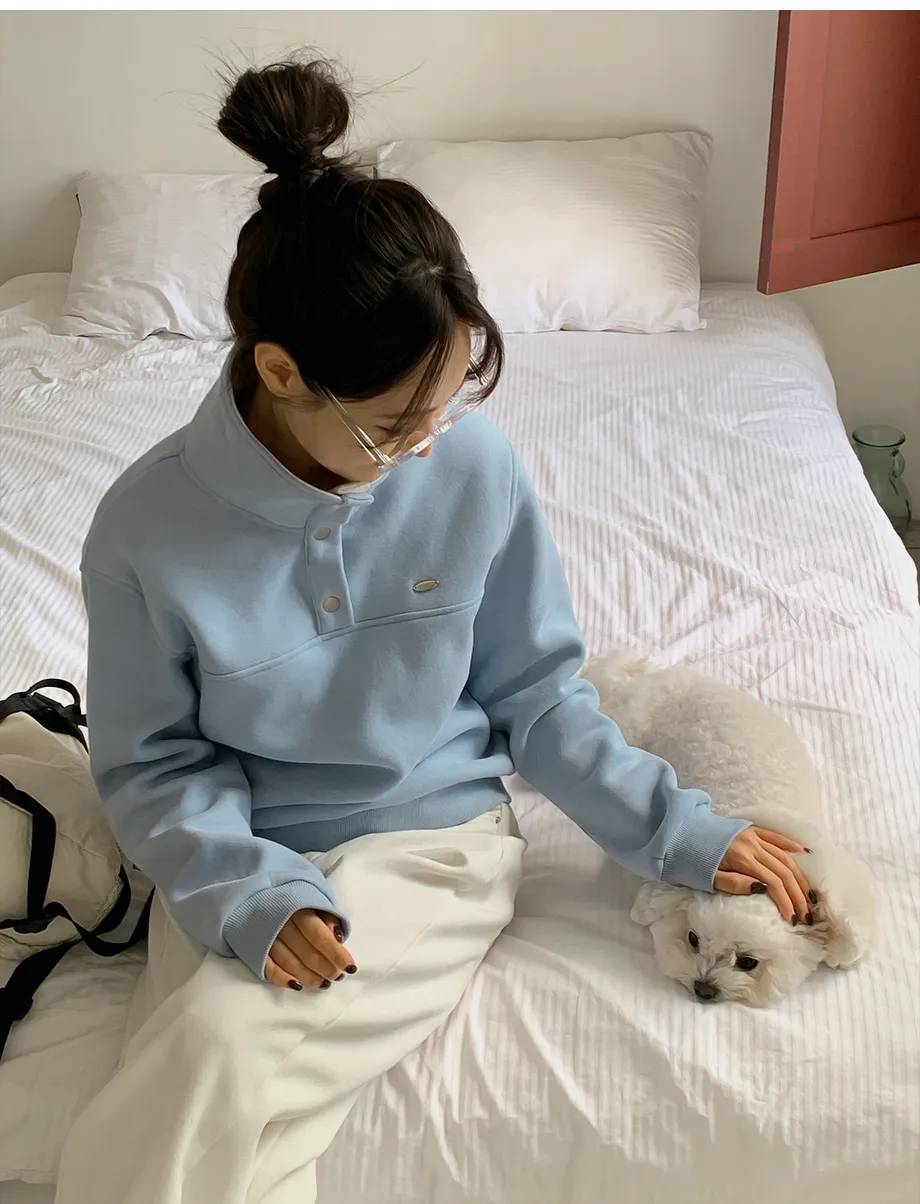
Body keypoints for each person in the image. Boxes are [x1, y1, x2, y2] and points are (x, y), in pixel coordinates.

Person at [54, 57, 812, 1204]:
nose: (424, 445)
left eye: (445, 405)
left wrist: (679, 829)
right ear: (278, 370)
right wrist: (246, 891)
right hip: (236, 851)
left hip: (433, 847)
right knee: (223, 1095)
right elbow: (151, 764)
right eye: (391, 423)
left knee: (210, 1050)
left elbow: (538, 697)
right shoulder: (143, 529)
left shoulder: (471, 468)